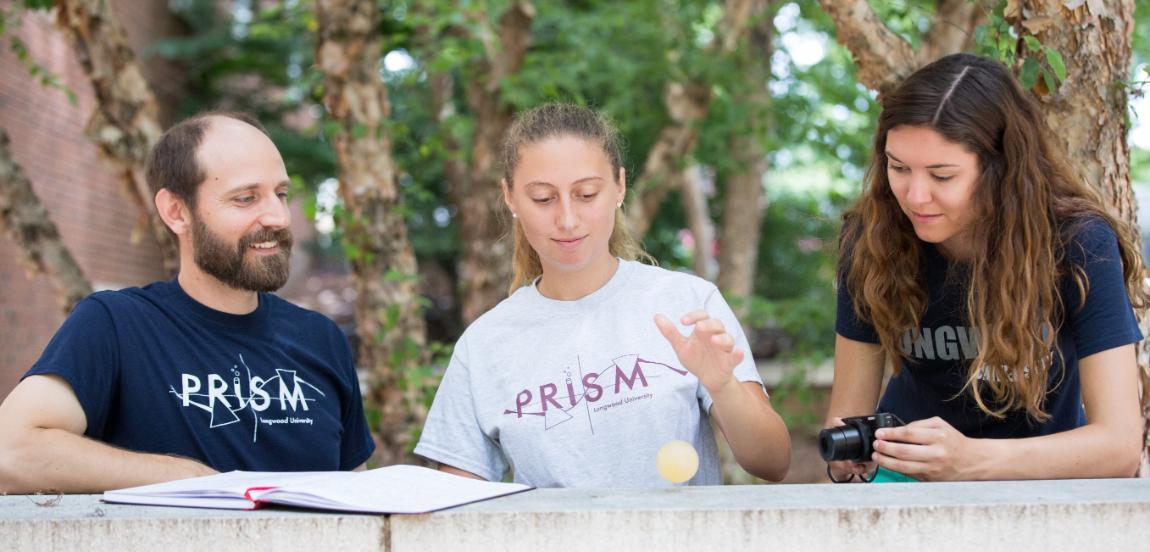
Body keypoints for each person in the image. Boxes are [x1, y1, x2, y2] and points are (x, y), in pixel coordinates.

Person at [414, 103, 790, 487]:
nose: (567, 219)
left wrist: (724, 386)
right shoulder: (483, 345)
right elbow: (456, 503)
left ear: (619, 186)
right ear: (510, 197)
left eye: (586, 194)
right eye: (544, 198)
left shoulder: (688, 301)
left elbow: (773, 462)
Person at [0, 112, 375, 494]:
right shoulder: (117, 325)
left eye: (280, 194)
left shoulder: (321, 339)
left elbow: (355, 498)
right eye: (245, 198)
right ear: (177, 212)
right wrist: (192, 480)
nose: (278, 217)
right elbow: (10, 452)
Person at [827, 53, 1146, 482]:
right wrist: (848, 454)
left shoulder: (1078, 242)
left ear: (1002, 170)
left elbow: (1120, 447)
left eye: (942, 176)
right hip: (904, 486)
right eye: (898, 168)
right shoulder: (872, 238)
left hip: (1045, 484)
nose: (914, 196)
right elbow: (847, 416)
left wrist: (968, 461)